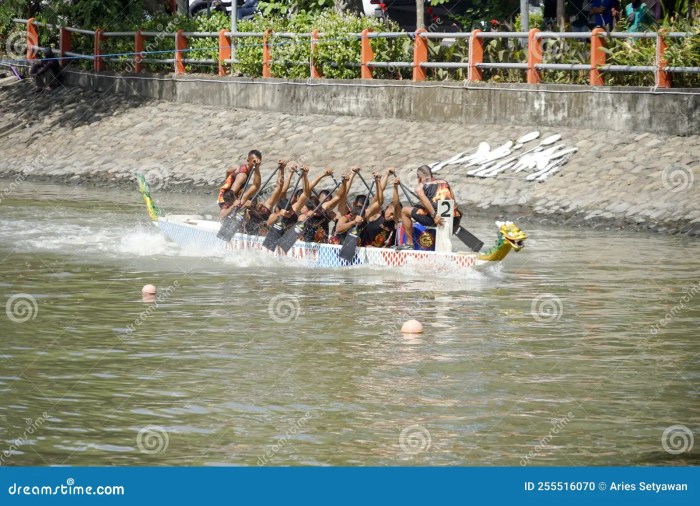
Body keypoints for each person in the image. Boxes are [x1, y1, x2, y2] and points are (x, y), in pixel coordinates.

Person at [397, 165, 461, 250]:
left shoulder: (420, 186)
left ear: (419, 177)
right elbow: (454, 201)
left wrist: (434, 215)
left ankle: (409, 244)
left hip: (436, 219)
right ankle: (446, 243)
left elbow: (424, 199)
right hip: (454, 217)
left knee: (404, 211)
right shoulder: (444, 181)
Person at [359, 169, 401, 248]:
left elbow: (396, 205)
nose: (391, 217)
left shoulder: (394, 221)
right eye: (391, 213)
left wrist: (396, 187)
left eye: (393, 215)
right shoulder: (376, 214)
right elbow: (378, 196)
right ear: (387, 207)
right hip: (365, 249)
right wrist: (386, 176)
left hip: (381, 252)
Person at [217, 149, 261, 218]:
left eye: (259, 161)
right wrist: (238, 205)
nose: (256, 163)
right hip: (225, 197)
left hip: (228, 193)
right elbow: (230, 193)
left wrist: (228, 182)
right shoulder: (243, 176)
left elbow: (228, 171)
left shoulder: (243, 167)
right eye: (254, 161)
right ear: (248, 160)